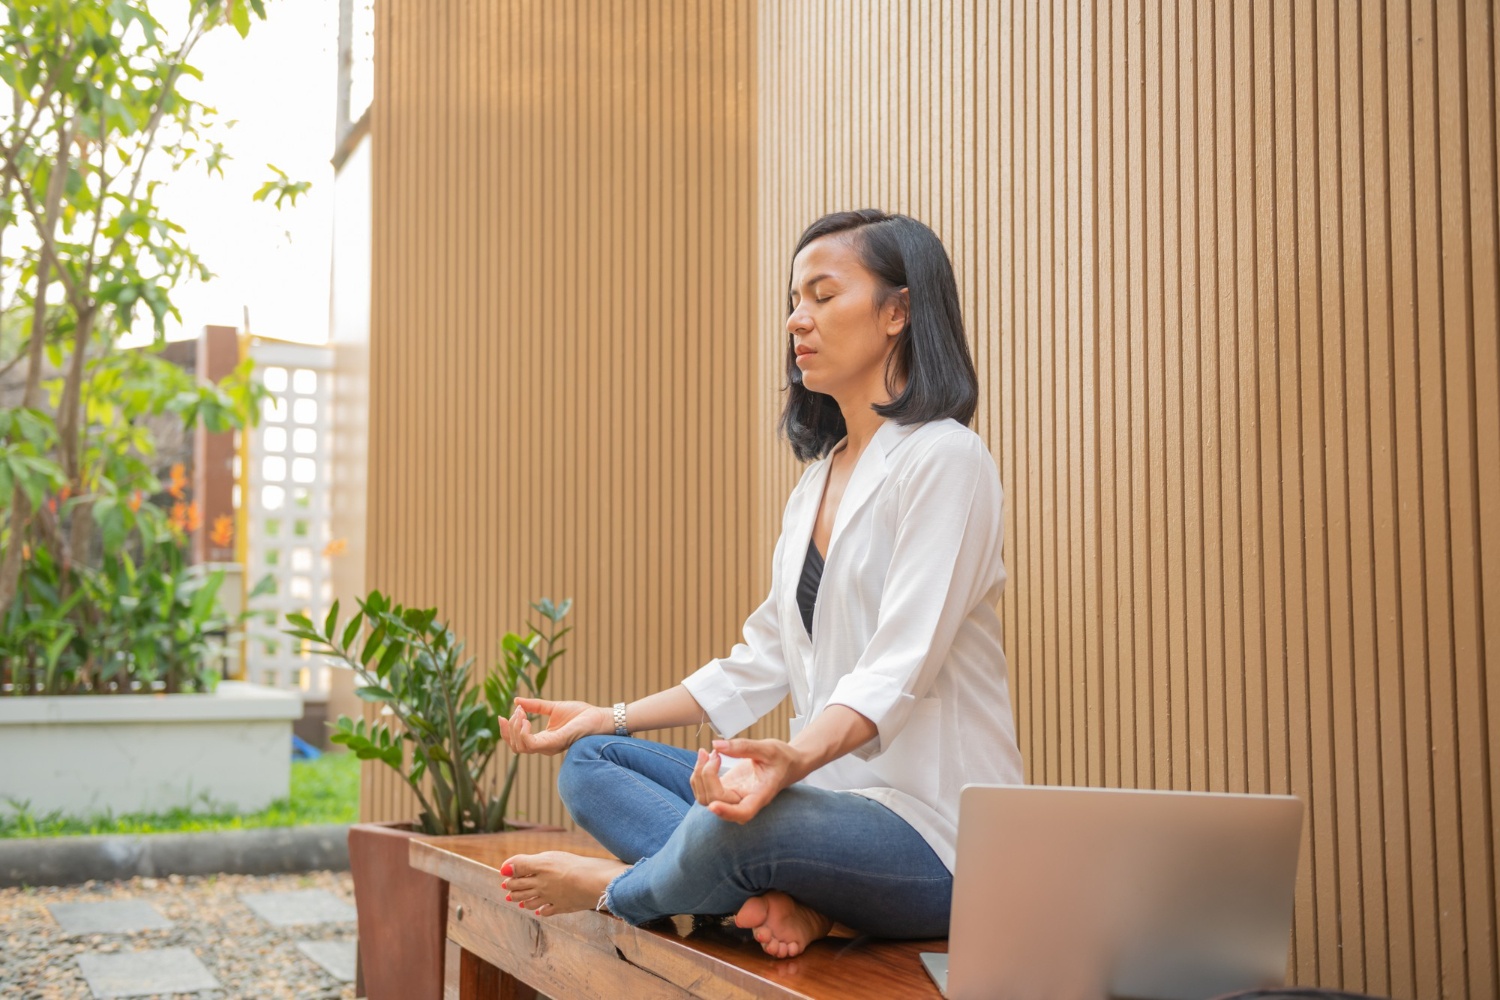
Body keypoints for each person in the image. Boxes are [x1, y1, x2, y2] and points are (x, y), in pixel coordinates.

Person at [496, 209, 1025, 959]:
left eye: (822, 294)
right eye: (794, 299)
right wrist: (603, 717)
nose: (796, 319)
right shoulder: (816, 483)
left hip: (936, 836)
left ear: (898, 311)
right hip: (827, 806)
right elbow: (763, 658)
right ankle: (807, 907)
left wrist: (793, 762)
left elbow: (899, 665)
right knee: (595, 766)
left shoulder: (947, 459)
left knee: (740, 821)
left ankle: (622, 887)